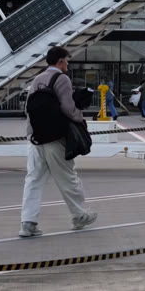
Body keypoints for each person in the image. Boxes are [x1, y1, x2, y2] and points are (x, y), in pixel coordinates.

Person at [20, 45, 97, 238]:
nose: (68, 65)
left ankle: (28, 223)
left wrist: (32, 133)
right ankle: (79, 216)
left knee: (33, 180)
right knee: (67, 178)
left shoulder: (37, 79)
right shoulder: (62, 78)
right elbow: (68, 108)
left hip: (35, 138)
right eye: (67, 61)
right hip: (55, 138)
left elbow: (29, 109)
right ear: (60, 61)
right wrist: (80, 117)